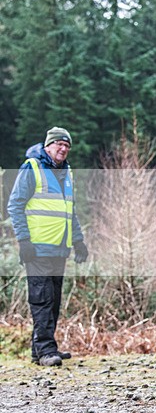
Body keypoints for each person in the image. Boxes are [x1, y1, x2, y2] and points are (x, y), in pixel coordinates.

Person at [7, 127, 89, 367]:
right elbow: (15, 205)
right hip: (37, 248)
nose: (63, 149)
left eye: (67, 146)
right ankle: (45, 350)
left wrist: (78, 240)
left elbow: (68, 211)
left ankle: (41, 348)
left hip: (59, 249)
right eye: (58, 144)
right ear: (48, 145)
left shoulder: (67, 173)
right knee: (41, 299)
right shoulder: (32, 168)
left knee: (53, 300)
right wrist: (23, 241)